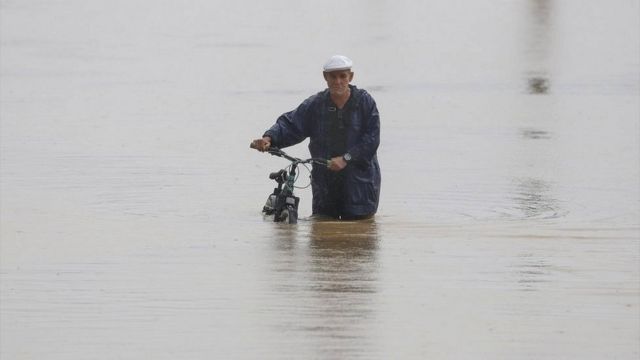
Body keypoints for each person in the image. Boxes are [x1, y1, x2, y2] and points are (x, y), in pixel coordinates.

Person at [251, 55, 381, 220]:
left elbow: (371, 139)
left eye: (343, 76)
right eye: (333, 76)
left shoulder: (365, 102)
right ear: (325, 77)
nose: (338, 81)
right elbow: (291, 124)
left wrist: (346, 158)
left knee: (358, 235)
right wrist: (269, 138)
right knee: (322, 232)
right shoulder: (316, 104)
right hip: (325, 184)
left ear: (351, 77)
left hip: (360, 185)